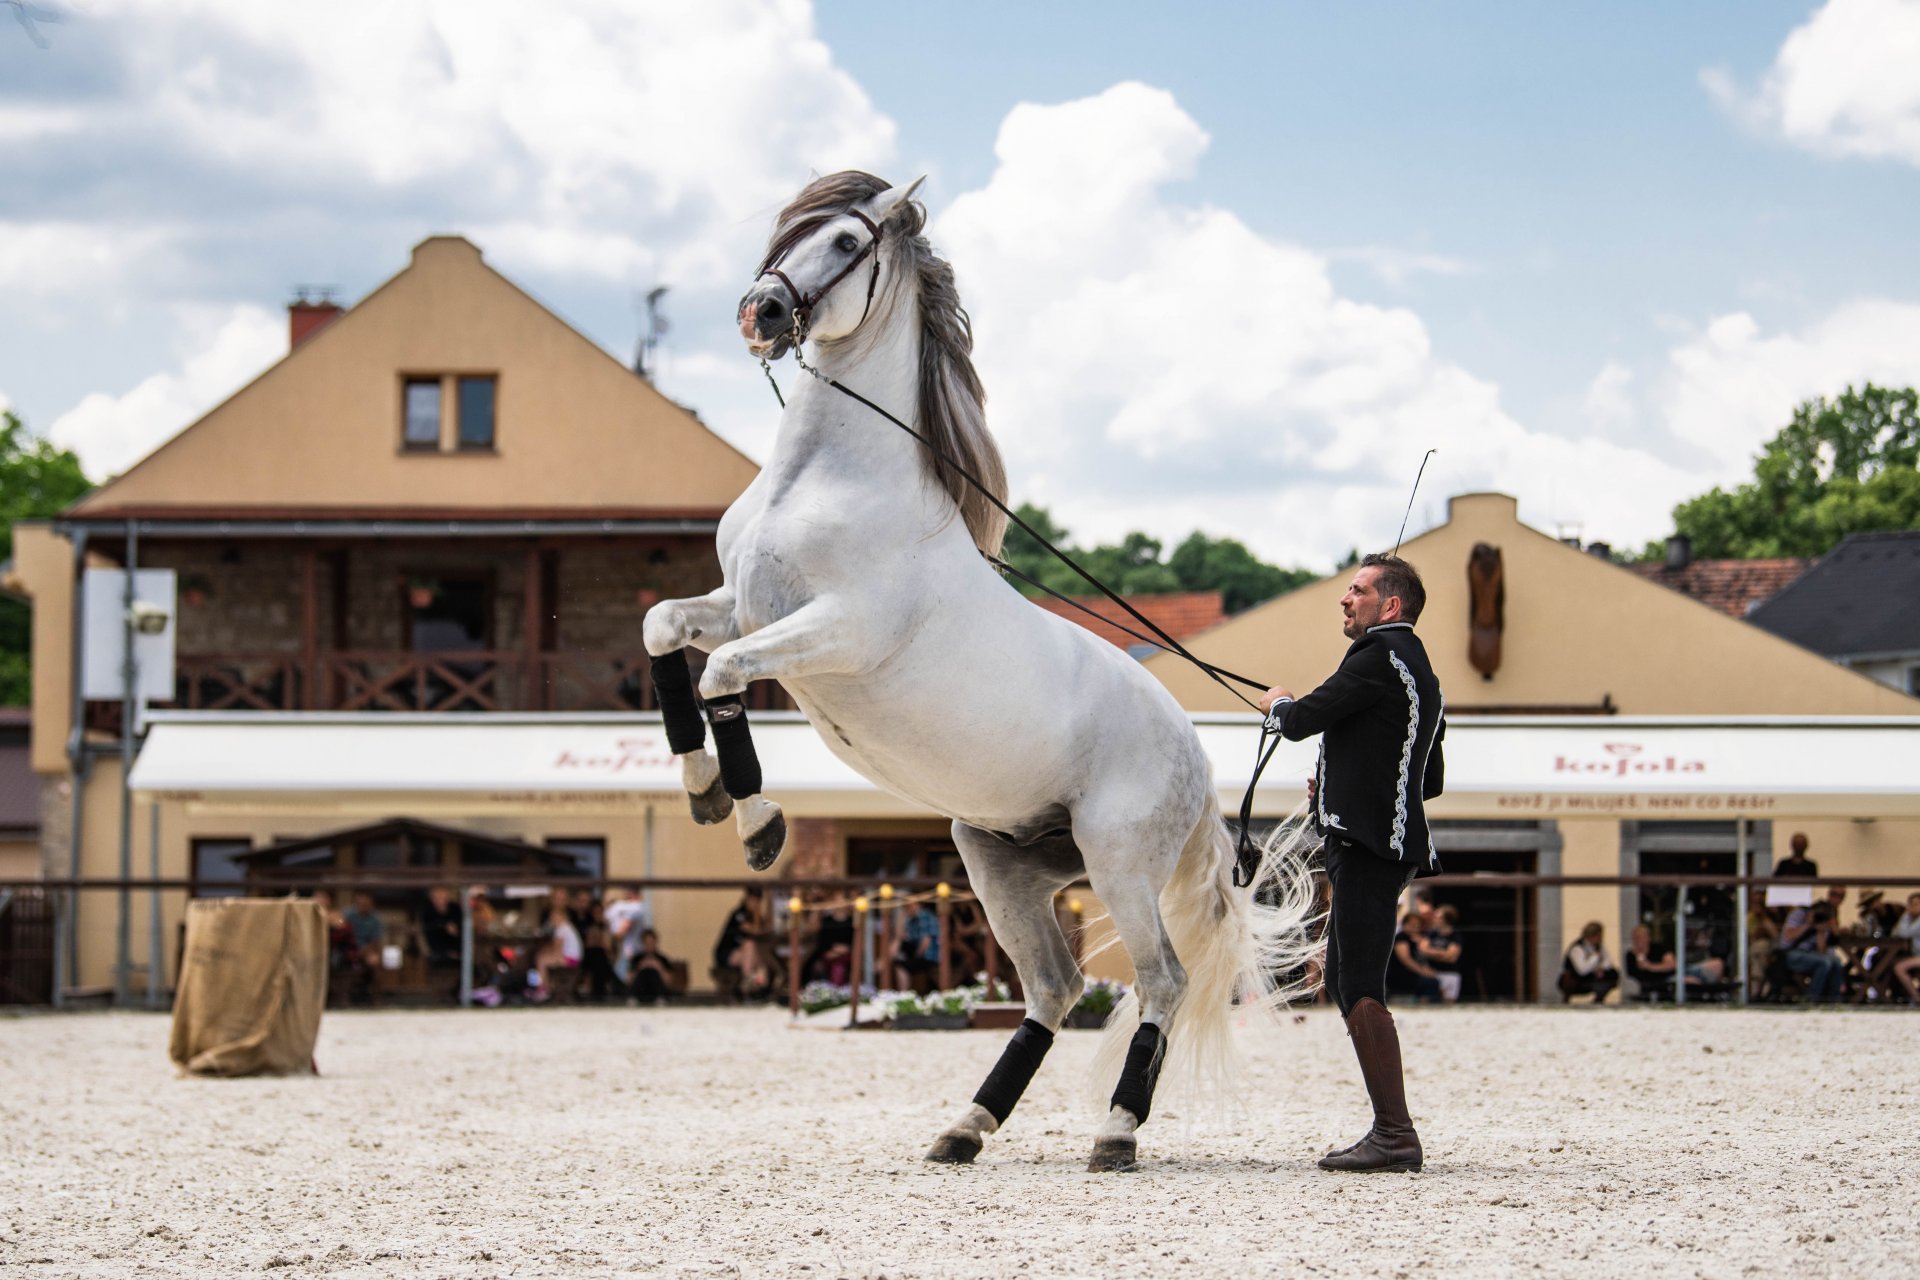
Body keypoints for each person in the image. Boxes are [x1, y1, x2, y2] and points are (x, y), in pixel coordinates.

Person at [1258, 552, 1445, 1174]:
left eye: (1358, 591)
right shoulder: (1423, 674)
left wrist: (1279, 702)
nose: (1346, 599)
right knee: (1341, 976)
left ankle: (1394, 1134)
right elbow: (1430, 778)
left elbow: (1302, 719)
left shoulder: (1377, 656)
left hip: (1366, 846)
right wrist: (1339, 782)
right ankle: (1390, 1129)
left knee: (1359, 982)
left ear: (1389, 606)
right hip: (1385, 843)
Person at [1626, 923, 1724, 999]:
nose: (1640, 941)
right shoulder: (1630, 956)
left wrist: (1650, 966)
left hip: (1679, 971)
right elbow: (1635, 976)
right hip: (1665, 981)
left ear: (1648, 938)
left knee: (1717, 964)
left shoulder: (1658, 948)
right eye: (1637, 938)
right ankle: (1707, 990)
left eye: (1642, 937)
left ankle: (1717, 988)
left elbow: (1672, 964)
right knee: (1691, 981)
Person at [1779, 893, 1844, 1003]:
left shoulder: (1823, 921)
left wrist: (1821, 932)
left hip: (1811, 955)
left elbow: (1821, 951)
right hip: (1791, 953)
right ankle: (1812, 998)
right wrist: (1808, 924)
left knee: (1836, 961)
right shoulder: (1798, 915)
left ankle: (1834, 999)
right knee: (1824, 963)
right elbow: (1788, 937)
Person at [714, 887, 769, 997]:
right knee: (750, 945)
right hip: (727, 953)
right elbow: (755, 931)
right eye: (753, 900)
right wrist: (757, 914)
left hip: (745, 956)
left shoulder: (757, 917)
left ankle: (759, 988)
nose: (755, 904)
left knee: (762, 959)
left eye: (758, 901)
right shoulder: (739, 913)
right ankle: (747, 982)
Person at [1385, 913, 1444, 1003]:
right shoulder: (1401, 937)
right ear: (1405, 925)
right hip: (1402, 977)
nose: (1415, 928)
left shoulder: (1418, 939)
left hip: (1414, 976)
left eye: (1417, 925)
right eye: (1412, 925)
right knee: (1430, 983)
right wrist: (1423, 972)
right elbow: (1405, 959)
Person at [530, 904, 583, 1003]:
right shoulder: (567, 927)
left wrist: (544, 952)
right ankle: (545, 986)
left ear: (561, 917)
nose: (552, 920)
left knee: (541, 960)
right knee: (542, 956)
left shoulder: (562, 928)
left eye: (554, 917)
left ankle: (544, 989)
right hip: (572, 958)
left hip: (571, 960)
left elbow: (557, 948)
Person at [341, 891, 385, 1006]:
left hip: (367, 950)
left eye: (366, 904)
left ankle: (376, 997)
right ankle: (345, 996)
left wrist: (366, 951)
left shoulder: (375, 918)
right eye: (360, 904)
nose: (363, 906)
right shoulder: (348, 916)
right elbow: (344, 935)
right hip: (349, 948)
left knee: (374, 962)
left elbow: (376, 940)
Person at [604, 887, 654, 988]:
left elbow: (621, 932)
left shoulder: (636, 909)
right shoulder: (638, 908)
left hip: (634, 951)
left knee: (629, 979)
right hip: (631, 950)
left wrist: (609, 929)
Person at [1559, 922, 1619, 1003]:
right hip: (1578, 979)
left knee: (1613, 973)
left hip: (1593, 976)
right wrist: (1595, 958)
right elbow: (1582, 970)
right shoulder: (1577, 948)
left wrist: (1601, 968)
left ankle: (1598, 1000)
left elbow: (1608, 962)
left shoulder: (1600, 947)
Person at [893, 899, 941, 991]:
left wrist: (914, 958)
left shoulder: (925, 916)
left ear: (916, 904)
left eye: (908, 906)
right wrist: (902, 916)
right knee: (899, 943)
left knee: (900, 965)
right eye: (905, 907)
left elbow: (925, 942)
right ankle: (885, 961)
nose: (907, 909)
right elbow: (899, 936)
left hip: (929, 956)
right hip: (918, 952)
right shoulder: (912, 920)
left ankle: (904, 994)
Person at [1420, 904, 1464, 1004]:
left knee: (1448, 1003)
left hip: (1450, 974)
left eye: (1438, 917)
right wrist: (1441, 953)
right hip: (1432, 973)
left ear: (1446, 919)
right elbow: (1423, 949)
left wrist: (1431, 952)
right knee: (1426, 1001)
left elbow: (1451, 956)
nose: (1435, 919)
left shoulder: (1455, 935)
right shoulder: (1432, 934)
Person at [629, 929, 679, 1005]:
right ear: (643, 943)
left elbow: (669, 982)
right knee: (644, 973)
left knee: (653, 973)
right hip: (640, 994)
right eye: (647, 943)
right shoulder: (636, 959)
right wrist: (640, 968)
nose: (649, 945)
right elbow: (629, 980)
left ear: (655, 943)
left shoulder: (662, 959)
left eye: (651, 943)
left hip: (658, 994)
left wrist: (659, 968)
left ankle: (660, 998)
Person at [418, 886, 462, 970]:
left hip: (458, 951)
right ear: (431, 898)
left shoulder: (456, 910)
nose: (439, 899)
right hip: (438, 952)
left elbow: (462, 932)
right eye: (436, 897)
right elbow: (429, 936)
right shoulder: (427, 912)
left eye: (442, 896)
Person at [1891, 893, 1920, 1006]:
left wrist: (1906, 915)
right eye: (1912, 904)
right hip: (1916, 955)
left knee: (1899, 968)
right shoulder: (1913, 920)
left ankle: (1916, 997)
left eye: (1917, 904)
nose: (1914, 907)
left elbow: (1904, 933)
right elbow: (1895, 933)